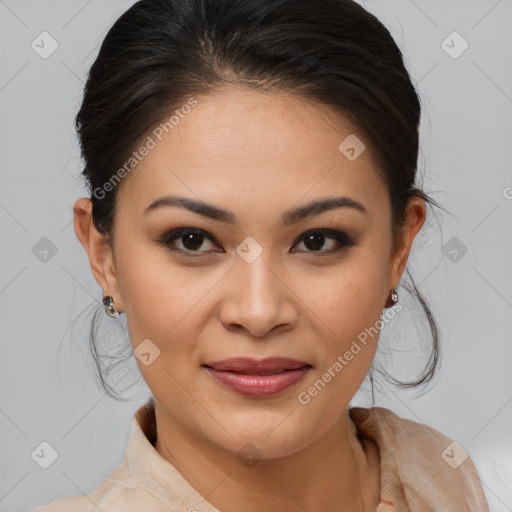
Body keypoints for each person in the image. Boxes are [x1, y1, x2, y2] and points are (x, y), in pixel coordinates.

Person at [32, 0, 490, 510]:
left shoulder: (443, 480)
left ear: (398, 249)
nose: (258, 312)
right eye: (192, 240)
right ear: (105, 258)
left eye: (317, 241)